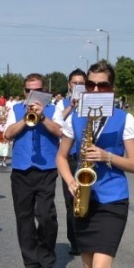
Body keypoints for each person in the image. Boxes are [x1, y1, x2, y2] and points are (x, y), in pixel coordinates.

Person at [56, 62, 134, 268]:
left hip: (113, 198)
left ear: (111, 89)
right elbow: (62, 156)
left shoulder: (123, 119)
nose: (94, 90)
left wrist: (106, 156)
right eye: (90, 85)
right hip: (84, 196)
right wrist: (69, 182)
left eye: (102, 86)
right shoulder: (76, 118)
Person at [4, 73, 62, 268]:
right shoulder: (16, 109)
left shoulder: (54, 109)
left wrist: (43, 116)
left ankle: (47, 260)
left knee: (46, 216)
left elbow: (60, 131)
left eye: (36, 90)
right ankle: (30, 263)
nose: (31, 94)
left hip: (46, 169)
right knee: (24, 218)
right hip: (21, 169)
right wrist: (24, 118)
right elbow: (8, 134)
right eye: (28, 90)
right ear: (24, 91)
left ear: (43, 91)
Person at [54, 69, 88, 255]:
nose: (77, 86)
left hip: (87, 158)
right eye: (74, 83)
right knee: (71, 201)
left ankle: (88, 237)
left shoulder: (92, 103)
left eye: (81, 84)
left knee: (89, 198)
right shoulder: (62, 103)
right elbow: (59, 127)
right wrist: (71, 107)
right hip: (70, 158)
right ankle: (74, 240)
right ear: (69, 85)